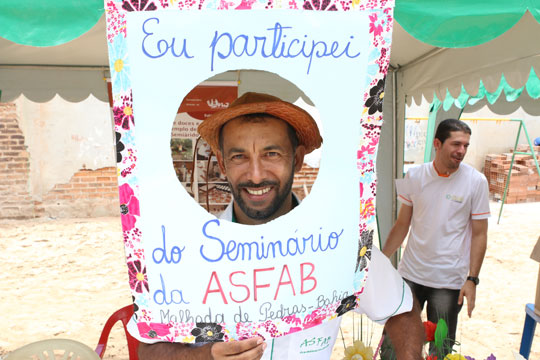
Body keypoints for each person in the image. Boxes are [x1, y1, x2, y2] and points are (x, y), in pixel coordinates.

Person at [136, 92, 424, 359]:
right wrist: (206, 355)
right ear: (222, 165)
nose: (257, 175)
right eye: (239, 157)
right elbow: (149, 347)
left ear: (297, 159)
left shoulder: (340, 244)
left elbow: (401, 310)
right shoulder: (188, 250)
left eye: (271, 154)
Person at [382, 119, 490, 353]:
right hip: (409, 276)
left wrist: (472, 280)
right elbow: (402, 224)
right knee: (392, 347)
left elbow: (480, 234)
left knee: (440, 350)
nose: (461, 151)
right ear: (437, 144)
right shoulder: (412, 175)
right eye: (456, 144)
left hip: (449, 282)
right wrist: (380, 259)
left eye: (466, 146)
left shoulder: (477, 182)